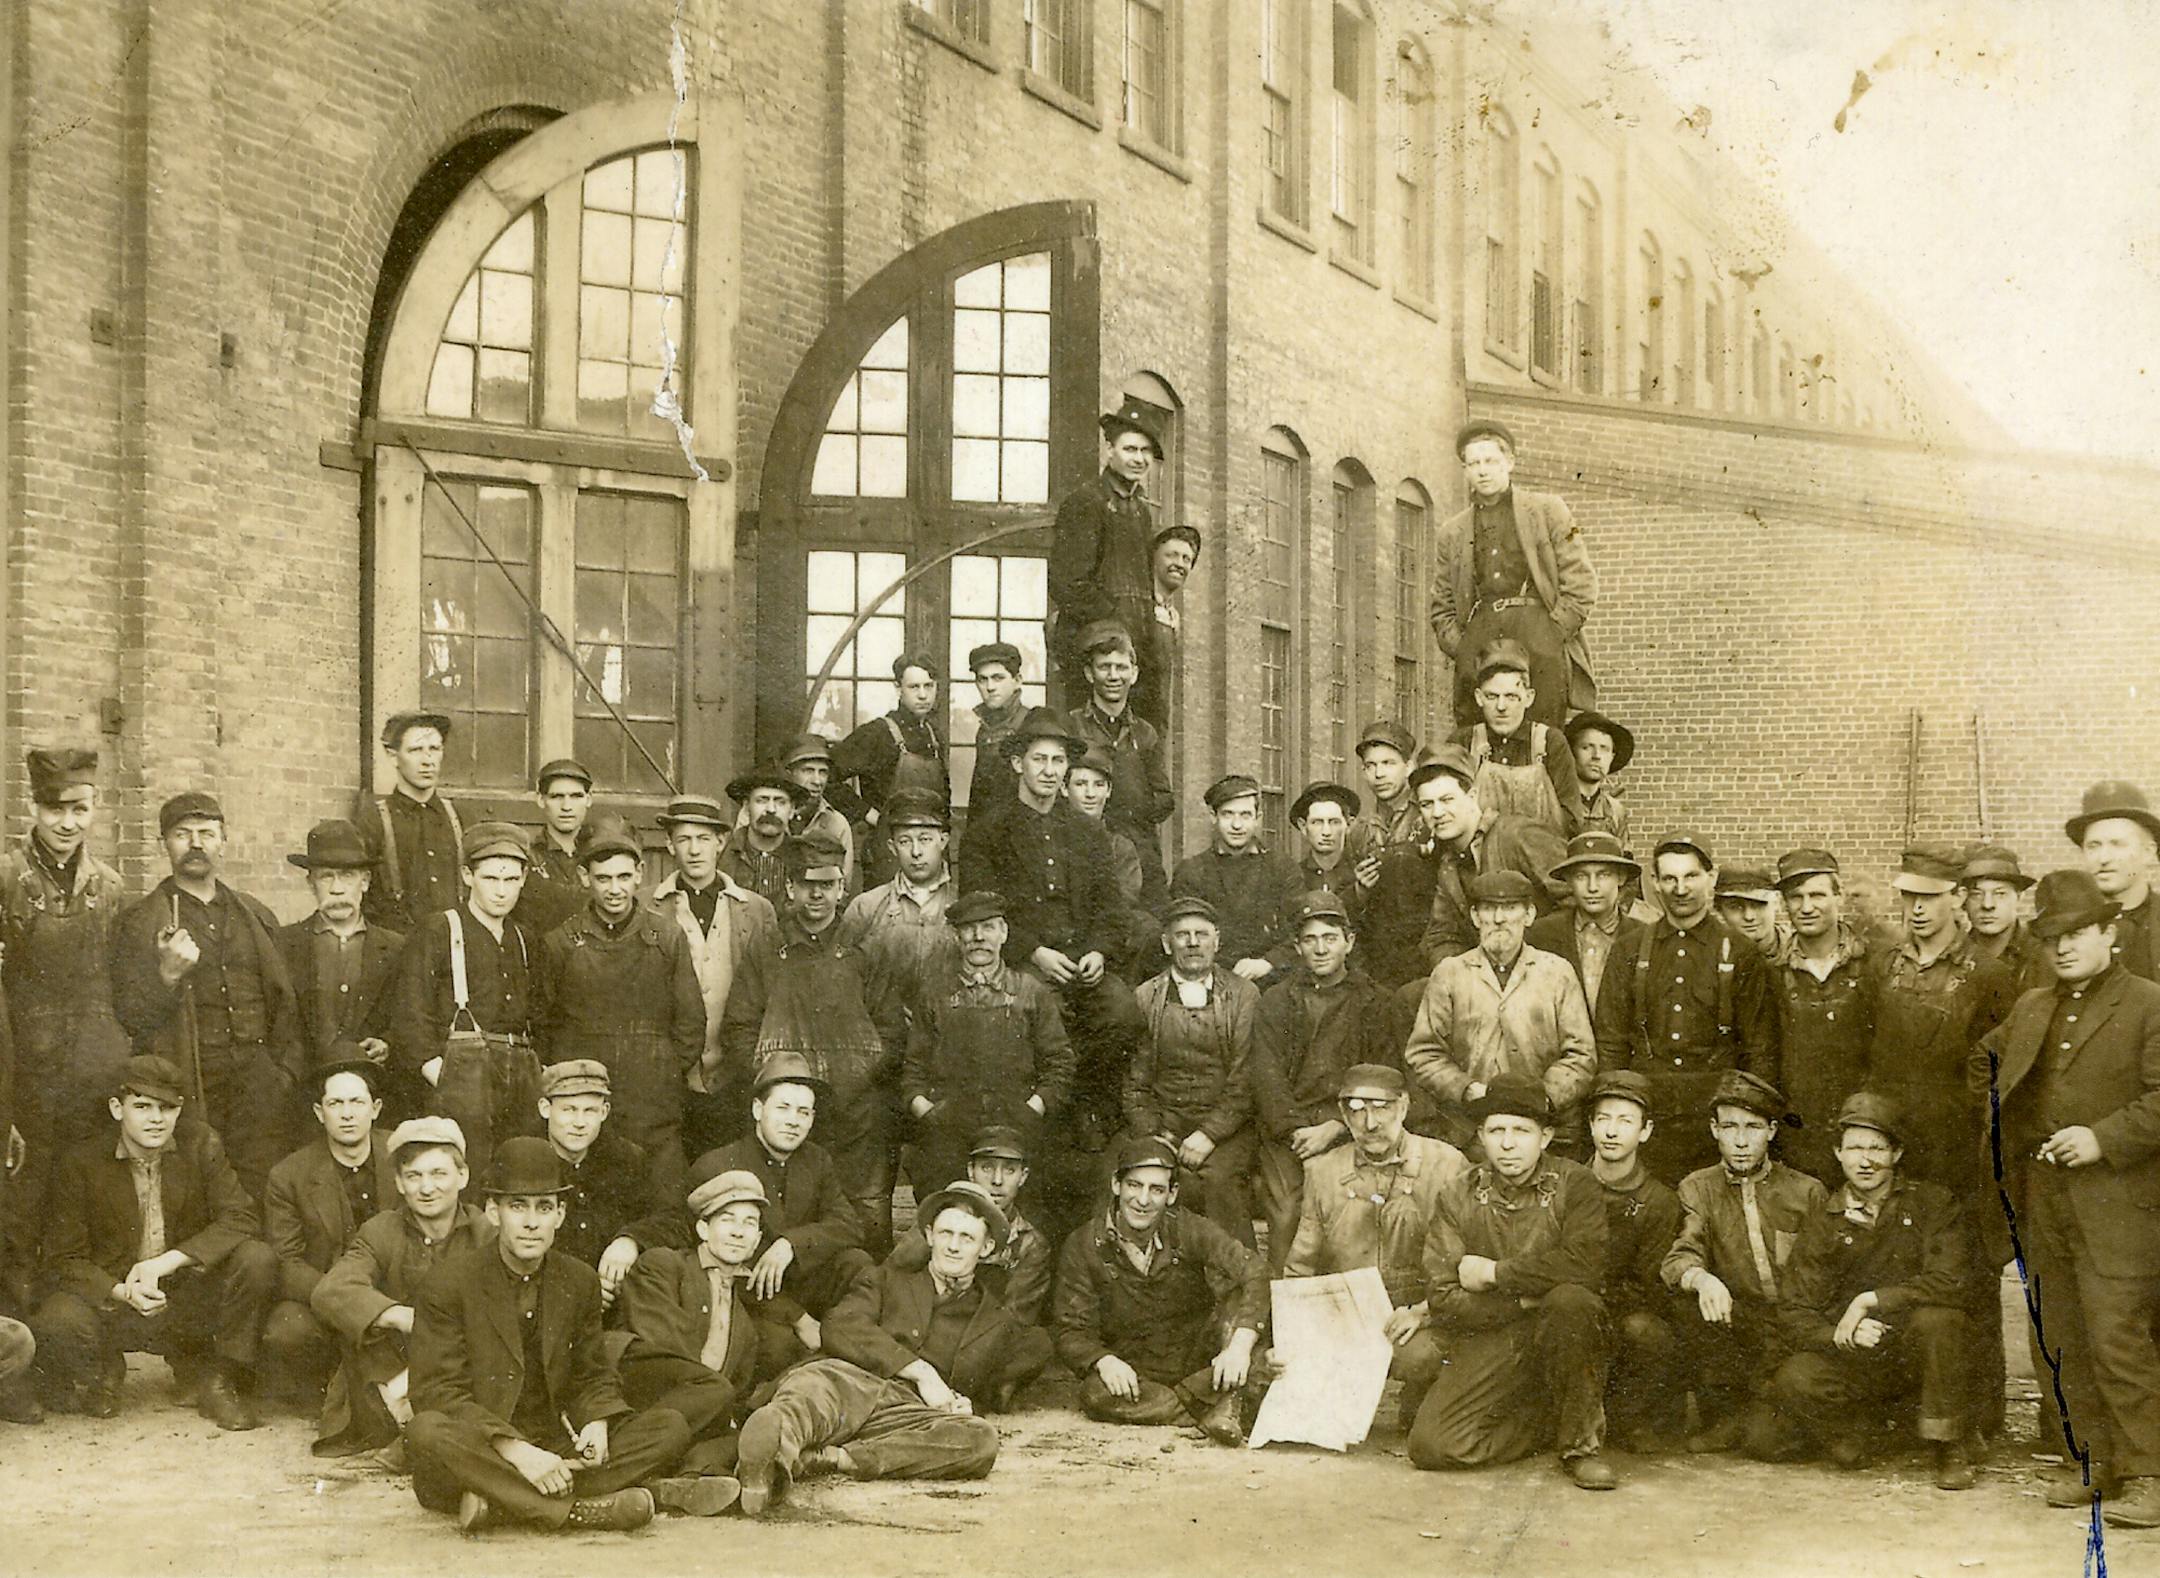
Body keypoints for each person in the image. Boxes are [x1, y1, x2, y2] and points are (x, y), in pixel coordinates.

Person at [404, 1137, 728, 1533]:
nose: (531, 1222)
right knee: (426, 1432)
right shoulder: (448, 1283)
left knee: (670, 1427)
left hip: (554, 1446)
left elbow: (592, 1374)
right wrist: (517, 1451)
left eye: (544, 1208)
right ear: (493, 1211)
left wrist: (597, 1422)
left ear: (560, 1215)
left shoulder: (578, 1280)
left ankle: (503, 1502)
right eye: (517, 1207)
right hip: (483, 1445)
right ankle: (576, 1511)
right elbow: (437, 1392)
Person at [1980, 868, 2160, 1527]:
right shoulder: (2034, 1004)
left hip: (2119, 1203)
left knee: (2117, 1334)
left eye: (2078, 933)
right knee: (2062, 1332)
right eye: (2052, 935)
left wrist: (2102, 1138)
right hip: (2044, 1196)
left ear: (2110, 932)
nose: (2063, 947)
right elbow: (1991, 1061)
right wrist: (2013, 1132)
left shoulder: (2148, 1002)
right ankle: (2094, 1462)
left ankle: (2148, 1472)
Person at [733, 1181, 1027, 1515]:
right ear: (929, 1236)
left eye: (967, 1238)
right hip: (845, 1382)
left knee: (980, 1438)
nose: (953, 1247)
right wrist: (921, 1371)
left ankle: (833, 1459)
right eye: (946, 1234)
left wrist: (960, 1404)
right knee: (806, 1396)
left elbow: (979, 1387)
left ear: (986, 1248)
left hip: (904, 1413)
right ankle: (769, 1467)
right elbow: (841, 1326)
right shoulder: (886, 1280)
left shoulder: (996, 1320)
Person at [957, 707, 1145, 1226]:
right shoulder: (988, 831)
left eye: (1058, 760)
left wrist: (1098, 953)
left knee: (1125, 1015)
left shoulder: (1087, 832)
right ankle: (1051, 1122)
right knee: (1041, 1022)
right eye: (1038, 758)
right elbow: (979, 906)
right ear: (1017, 762)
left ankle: (1086, 1109)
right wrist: (1032, 952)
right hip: (1023, 962)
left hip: (1082, 963)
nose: (1048, 770)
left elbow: (1112, 908)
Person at [1862, 844, 2017, 1436]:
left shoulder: (1990, 973)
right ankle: (1907, 1416)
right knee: (1897, 1273)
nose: (1917, 909)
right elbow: (1867, 1055)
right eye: (1908, 898)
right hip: (1895, 1147)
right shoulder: (1884, 965)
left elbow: (1996, 1071)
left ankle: (1977, 1420)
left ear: (1958, 898)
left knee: (1967, 1281)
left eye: (1929, 898)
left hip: (1957, 1153)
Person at [33, 1055, 275, 1430]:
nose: (156, 1119)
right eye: (142, 1107)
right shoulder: (81, 1161)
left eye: (167, 1108)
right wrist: (119, 1291)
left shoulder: (200, 1144)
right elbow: (63, 1257)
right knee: (57, 1318)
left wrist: (166, 1263)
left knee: (256, 1258)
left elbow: (241, 1216)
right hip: (117, 1300)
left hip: (185, 1295)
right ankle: (103, 1370)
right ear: (117, 1108)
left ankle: (217, 1377)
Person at [1404, 1073, 1615, 1489]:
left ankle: (1580, 1447)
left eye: (1522, 1130)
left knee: (1572, 1302)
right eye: (1496, 1130)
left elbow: (1586, 1265)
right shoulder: (1457, 1194)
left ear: (1546, 1136)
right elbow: (1443, 1295)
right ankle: (1543, 1426)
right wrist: (1522, 1302)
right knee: (1432, 1447)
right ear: (1481, 1135)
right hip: (1493, 1334)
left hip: (1563, 1330)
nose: (1508, 1143)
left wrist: (1495, 1273)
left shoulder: (1576, 1184)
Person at [1770, 1093, 1980, 1491]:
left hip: (1913, 1351)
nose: (1865, 1161)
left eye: (1877, 1148)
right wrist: (1839, 1335)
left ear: (1896, 1153)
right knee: (1795, 1378)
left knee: (1941, 1320)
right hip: (1855, 1359)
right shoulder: (1824, 1218)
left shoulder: (1932, 1203)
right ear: (1837, 1153)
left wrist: (1871, 1301)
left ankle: (1948, 1445)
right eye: (1854, 1148)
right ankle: (1866, 1431)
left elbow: (1951, 1280)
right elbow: (1795, 1308)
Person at [110, 791, 303, 1197]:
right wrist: (165, 976)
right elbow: (129, 1016)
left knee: (264, 1189)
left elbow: (285, 1003)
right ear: (165, 843)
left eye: (207, 833)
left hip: (259, 1088)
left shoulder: (256, 915)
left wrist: (282, 1074)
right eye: (183, 834)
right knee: (199, 1193)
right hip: (192, 1083)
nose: (196, 843)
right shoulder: (138, 923)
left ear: (223, 842)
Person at [720, 829, 905, 1251]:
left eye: (827, 885)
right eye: (807, 885)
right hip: (789, 1116)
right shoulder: (767, 949)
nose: (817, 895)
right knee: (793, 1211)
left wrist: (859, 1081)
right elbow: (740, 1026)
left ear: (842, 887)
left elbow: (893, 1029)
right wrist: (777, 1084)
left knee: (865, 1217)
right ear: (790, 887)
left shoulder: (867, 948)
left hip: (856, 1116)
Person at [622, 1055, 873, 1355]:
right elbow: (703, 1249)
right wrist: (799, 1318)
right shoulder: (720, 1163)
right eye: (783, 1108)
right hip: (748, 1296)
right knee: (778, 1349)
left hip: (801, 1279)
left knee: (857, 1264)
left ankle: (850, 1339)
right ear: (758, 1110)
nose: (793, 1121)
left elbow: (849, 1225)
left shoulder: (817, 1160)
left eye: (803, 1112)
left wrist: (790, 1244)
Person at [1, 746, 132, 1305]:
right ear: (34, 808)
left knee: (80, 1212)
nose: (68, 823)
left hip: (87, 1079)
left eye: (80, 809)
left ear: (94, 808)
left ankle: (79, 1343)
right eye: (55, 810)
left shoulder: (109, 888)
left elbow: (118, 989)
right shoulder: (7, 878)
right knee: (18, 1213)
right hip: (22, 1077)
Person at [1051, 1135, 1266, 1445]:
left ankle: (1201, 1402)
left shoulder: (1190, 1228)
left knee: (1260, 1354)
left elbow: (1255, 1270)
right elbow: (1070, 1329)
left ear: (1172, 1194)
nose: (1143, 1200)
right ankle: (1211, 1409)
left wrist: (1239, 1347)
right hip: (1138, 1372)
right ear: (1116, 1185)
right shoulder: (1084, 1244)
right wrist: (1104, 1360)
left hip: (1197, 1359)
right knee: (1095, 1394)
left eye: (1157, 1190)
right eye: (1134, 1186)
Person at [1282, 1065, 1466, 1421]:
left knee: (1420, 1360)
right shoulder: (1323, 1172)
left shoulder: (1446, 1164)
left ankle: (1421, 1397)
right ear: (1343, 1115)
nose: (1370, 1123)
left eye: (1381, 1107)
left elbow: (1468, 1260)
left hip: (1420, 1314)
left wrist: (1424, 1311)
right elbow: (1300, 1266)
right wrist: (1295, 1336)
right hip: (1348, 1317)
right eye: (1356, 1109)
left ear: (1404, 1107)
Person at [1594, 831, 1780, 1183]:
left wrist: (1745, 1126)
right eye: (1670, 878)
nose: (1680, 889)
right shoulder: (1629, 950)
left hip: (1715, 1119)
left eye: (1691, 876)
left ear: (1711, 877)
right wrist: (1620, 1113)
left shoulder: (1741, 953)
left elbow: (1760, 1048)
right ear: (1655, 882)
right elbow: (1611, 1041)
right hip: (1649, 1118)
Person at [1658, 1070, 1826, 1455]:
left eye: (1752, 1127)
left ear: (1771, 1131)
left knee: (1766, 1442)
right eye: (1729, 1126)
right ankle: (1727, 1413)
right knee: (1686, 1301)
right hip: (1742, 1325)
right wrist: (1701, 1279)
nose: (1740, 1140)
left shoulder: (1806, 1191)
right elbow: (1681, 1253)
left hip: (1797, 1327)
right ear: (1714, 1129)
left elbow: (1830, 1272)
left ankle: (1772, 1412)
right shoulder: (1698, 1187)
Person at [535, 817, 704, 1199]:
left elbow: (691, 1021)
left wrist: (661, 1069)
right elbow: (544, 1025)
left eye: (624, 877)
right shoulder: (561, 943)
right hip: (586, 1106)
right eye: (603, 878)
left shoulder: (667, 937)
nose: (615, 889)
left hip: (653, 1106)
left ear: (640, 874)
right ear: (584, 877)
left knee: (662, 1203)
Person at [309, 1116, 489, 1458]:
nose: (426, 1188)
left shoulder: (485, 1233)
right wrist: (399, 1316)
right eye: (414, 1176)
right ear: (399, 1183)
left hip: (460, 1366)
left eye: (439, 1174)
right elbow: (331, 1291)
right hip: (392, 1368)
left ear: (462, 1177)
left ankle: (423, 1437)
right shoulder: (381, 1231)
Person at [611, 1164, 779, 1506]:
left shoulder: (744, 1323)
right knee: (717, 1391)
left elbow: (736, 1389)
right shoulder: (665, 1265)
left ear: (758, 1240)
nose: (738, 1232)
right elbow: (661, 1347)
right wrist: (716, 1395)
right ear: (703, 1228)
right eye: (727, 1219)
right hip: (637, 1399)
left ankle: (675, 1482)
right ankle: (672, 1471)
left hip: (691, 1417)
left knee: (744, 1436)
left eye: (750, 1224)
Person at [1249, 890, 1397, 1271]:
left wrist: (1335, 1125)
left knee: (1358, 1207)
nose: (1320, 949)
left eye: (1330, 938)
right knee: (1287, 1213)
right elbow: (1267, 1077)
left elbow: (1383, 1074)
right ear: (1297, 947)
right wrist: (1297, 1131)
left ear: (1349, 942)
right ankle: (1285, 1317)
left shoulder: (1374, 1001)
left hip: (1352, 1126)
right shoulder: (1277, 1001)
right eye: (1310, 939)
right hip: (1290, 1135)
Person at [388, 821, 542, 1181]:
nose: (501, 892)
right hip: (462, 1077)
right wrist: (442, 1075)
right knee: (466, 1176)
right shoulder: (440, 930)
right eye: (490, 879)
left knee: (517, 1173)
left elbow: (544, 1014)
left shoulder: (525, 939)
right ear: (468, 876)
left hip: (519, 1075)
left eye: (510, 880)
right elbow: (410, 1015)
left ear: (522, 880)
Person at [1405, 870, 1596, 1150]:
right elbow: (1423, 1053)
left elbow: (1581, 1054)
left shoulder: (1556, 973)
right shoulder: (1450, 973)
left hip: (1544, 1128)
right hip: (1469, 1131)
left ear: (1529, 915)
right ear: (1474, 917)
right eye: (1489, 909)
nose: (1498, 919)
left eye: (1509, 908)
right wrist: (1466, 1089)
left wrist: (1541, 1097)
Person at [902, 890, 1074, 1197]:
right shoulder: (935, 995)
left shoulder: (1030, 992)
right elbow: (914, 1067)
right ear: (957, 936)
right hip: (950, 1132)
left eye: (989, 927)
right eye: (969, 929)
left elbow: (1059, 1062)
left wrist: (1033, 1108)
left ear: (1004, 933)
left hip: (1016, 1129)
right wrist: (928, 1113)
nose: (978, 937)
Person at [1429, 419, 1597, 728]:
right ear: (1465, 470)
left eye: (1491, 461)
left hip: (1538, 628)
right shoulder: (1452, 532)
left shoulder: (1548, 511)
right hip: (1480, 632)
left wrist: (1552, 635)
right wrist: (1463, 646)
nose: (1482, 470)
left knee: (1543, 727)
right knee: (1474, 727)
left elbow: (1581, 583)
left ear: (1510, 462)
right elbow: (1441, 606)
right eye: (1473, 463)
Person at [260, 1061, 396, 1406]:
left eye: (357, 1102)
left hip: (397, 1293)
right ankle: (324, 1391)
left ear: (375, 1109)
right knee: (287, 1330)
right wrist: (348, 1303)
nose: (347, 1114)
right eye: (336, 1104)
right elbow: (286, 1262)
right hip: (323, 1295)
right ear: (320, 1113)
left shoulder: (403, 1156)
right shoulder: (289, 1175)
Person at [1126, 896, 1261, 1245]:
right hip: (1163, 1122)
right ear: (1166, 943)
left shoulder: (1244, 995)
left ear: (1217, 941)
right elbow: (1134, 1080)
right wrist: (1155, 1133)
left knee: (1219, 1183)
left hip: (1228, 1129)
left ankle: (1237, 1284)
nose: (1192, 942)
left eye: (1201, 934)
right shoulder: (1144, 997)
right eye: (1182, 934)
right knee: (1132, 1173)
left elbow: (1246, 1078)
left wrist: (1210, 1134)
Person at [651, 793, 778, 1160]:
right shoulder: (650, 906)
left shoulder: (755, 911)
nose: (694, 850)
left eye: (704, 839)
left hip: (736, 1075)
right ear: (669, 843)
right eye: (684, 839)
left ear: (721, 842)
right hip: (673, 1074)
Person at [1582, 1070, 1683, 1450]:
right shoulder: (1566, 1182)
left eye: (1625, 1121)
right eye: (1603, 1119)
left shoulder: (1658, 1201)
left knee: (1647, 1332)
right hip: (1567, 1306)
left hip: (1620, 1313)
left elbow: (1648, 1287)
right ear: (1590, 1125)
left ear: (1645, 1131)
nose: (1612, 1132)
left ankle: (1628, 1418)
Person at [277, 820, 407, 1112]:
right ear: (311, 883)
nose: (337, 889)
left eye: (347, 876)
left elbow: (408, 1017)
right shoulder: (283, 945)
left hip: (373, 1096)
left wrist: (388, 1042)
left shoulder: (397, 948)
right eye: (326, 877)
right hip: (303, 1097)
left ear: (365, 881)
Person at [1048, 400, 1164, 709]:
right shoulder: (1085, 503)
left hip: (1135, 655)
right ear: (1110, 450)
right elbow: (1067, 584)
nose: (1138, 459)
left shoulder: (1141, 512)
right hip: (1095, 652)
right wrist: (1116, 626)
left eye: (1145, 451)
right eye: (1129, 449)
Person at [1768, 848, 1875, 1183]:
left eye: (1817, 895)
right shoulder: (1772, 973)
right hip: (1799, 1134)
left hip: (1864, 1131)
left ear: (1838, 895)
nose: (1806, 907)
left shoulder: (1875, 963)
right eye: (1795, 897)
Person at [1410, 748, 1565, 968]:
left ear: (1472, 796)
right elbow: (1441, 935)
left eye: (1447, 800)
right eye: (1427, 804)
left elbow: (1576, 900)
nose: (1437, 813)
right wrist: (1462, 976)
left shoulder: (1517, 835)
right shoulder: (1448, 862)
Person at [888, 1126, 1056, 1326]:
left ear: (1023, 1176)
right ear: (970, 1171)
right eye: (986, 1168)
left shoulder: (1030, 1244)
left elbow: (1014, 1319)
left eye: (1010, 1170)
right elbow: (892, 1278)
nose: (997, 1180)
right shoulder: (940, 1221)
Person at [1169, 774, 1305, 986]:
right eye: (1228, 814)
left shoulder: (1282, 868)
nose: (1236, 824)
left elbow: (1299, 929)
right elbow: (1184, 934)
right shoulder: (1192, 871)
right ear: (1213, 816)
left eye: (1245, 815)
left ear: (1258, 817)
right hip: (1209, 979)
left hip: (1271, 979)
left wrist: (1268, 962)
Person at [831, 654, 951, 889]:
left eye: (929, 686)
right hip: (888, 852)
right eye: (914, 687)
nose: (923, 694)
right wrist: (868, 814)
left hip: (931, 853)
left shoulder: (934, 736)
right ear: (898, 689)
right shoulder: (877, 734)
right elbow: (828, 777)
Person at [533, 1061, 655, 1290]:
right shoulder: (525, 1160)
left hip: (615, 1292)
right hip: (549, 1293)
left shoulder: (627, 1160)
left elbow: (667, 1219)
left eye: (590, 1111)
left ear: (604, 1112)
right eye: (569, 1110)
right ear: (545, 1109)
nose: (579, 1123)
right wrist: (585, 1292)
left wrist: (630, 1241)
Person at [1067, 622, 1175, 874]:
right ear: (1089, 673)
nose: (1113, 676)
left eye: (1121, 667)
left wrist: (1130, 812)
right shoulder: (1071, 726)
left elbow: (1164, 798)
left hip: (1139, 850)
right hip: (1083, 847)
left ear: (1134, 673)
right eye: (1104, 667)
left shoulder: (1145, 733)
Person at [354, 710, 465, 933]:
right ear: (393, 756)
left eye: (434, 749)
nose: (427, 761)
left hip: (455, 946)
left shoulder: (460, 817)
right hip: (396, 949)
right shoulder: (374, 820)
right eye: (415, 750)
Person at [1453, 638, 1577, 835]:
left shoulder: (1550, 743)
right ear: (1478, 697)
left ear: (1529, 698)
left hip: (1537, 857)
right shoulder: (1463, 743)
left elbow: (1571, 821)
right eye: (1492, 696)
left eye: (1511, 697)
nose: (1501, 707)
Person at [837, 788, 958, 985]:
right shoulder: (866, 907)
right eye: (905, 841)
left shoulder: (961, 903)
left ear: (943, 841)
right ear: (892, 847)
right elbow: (842, 976)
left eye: (925, 839)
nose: (916, 851)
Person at [1063, 743, 1168, 971]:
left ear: (1109, 791)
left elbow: (1122, 900)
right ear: (1064, 789)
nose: (1090, 794)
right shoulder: (1054, 839)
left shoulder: (1121, 847)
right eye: (1080, 784)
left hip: (1105, 934)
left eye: (1099, 785)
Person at [1525, 830, 1644, 1018]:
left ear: (1620, 878)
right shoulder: (1540, 935)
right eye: (1581, 876)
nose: (1592, 887)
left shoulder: (1643, 936)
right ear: (1568, 881)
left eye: (1603, 875)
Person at [2067, 780, 2160, 979]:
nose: (2104, 858)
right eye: (2093, 846)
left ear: (2148, 852)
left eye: (2117, 844)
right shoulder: (2063, 932)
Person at [514, 758, 595, 937]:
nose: (566, 807)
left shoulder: (600, 854)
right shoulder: (527, 857)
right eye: (557, 797)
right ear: (541, 800)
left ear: (588, 800)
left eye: (576, 796)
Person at [774, 732, 858, 895]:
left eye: (823, 772)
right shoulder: (764, 816)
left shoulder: (836, 822)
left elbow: (843, 888)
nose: (817, 781)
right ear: (789, 772)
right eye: (808, 771)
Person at [963, 641, 1031, 826]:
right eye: (982, 679)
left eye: (998, 678)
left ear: (1017, 680)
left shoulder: (1030, 724)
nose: (990, 687)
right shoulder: (984, 730)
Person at [1142, 522, 1200, 730]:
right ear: (1154, 557)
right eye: (1171, 555)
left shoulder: (1173, 616)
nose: (1179, 564)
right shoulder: (1141, 609)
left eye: (1186, 559)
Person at [719, 765, 802, 909]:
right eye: (762, 800)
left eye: (780, 802)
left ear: (792, 810)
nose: (771, 810)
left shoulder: (803, 856)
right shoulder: (722, 852)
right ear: (746, 807)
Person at [1291, 781, 1382, 912]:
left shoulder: (1364, 875)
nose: (1326, 832)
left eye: (1334, 822)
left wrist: (1360, 890)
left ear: (1349, 825)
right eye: (1317, 822)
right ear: (1303, 826)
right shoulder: (1293, 878)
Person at [1963, 844, 2043, 988]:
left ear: (2019, 897)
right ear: (1963, 900)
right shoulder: (1957, 955)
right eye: (1976, 894)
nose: (1987, 905)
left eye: (2000, 894)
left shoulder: (2041, 953)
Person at [1562, 710, 1633, 845]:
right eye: (1587, 747)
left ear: (1612, 757)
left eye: (1604, 749)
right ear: (1571, 752)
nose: (1596, 756)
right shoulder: (1555, 805)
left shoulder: (1616, 811)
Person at [1355, 719, 1425, 849]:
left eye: (1388, 763)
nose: (1379, 774)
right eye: (1370, 766)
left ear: (1409, 768)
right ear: (1363, 771)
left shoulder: (1427, 815)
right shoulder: (1359, 829)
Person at [1713, 867, 1786, 957]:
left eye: (1758, 904)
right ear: (1719, 911)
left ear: (1776, 902)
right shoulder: (1708, 958)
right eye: (1736, 907)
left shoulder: (1802, 951)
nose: (1749, 917)